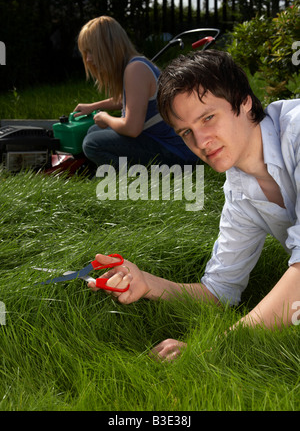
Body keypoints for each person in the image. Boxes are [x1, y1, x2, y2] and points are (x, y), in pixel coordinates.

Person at [88, 50, 300, 361]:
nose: (201, 142)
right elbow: (219, 292)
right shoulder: (239, 188)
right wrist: (148, 283)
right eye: (186, 132)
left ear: (244, 101)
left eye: (208, 118)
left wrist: (215, 347)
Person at [74, 15, 198, 169]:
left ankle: (134, 177)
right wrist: (93, 106)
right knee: (94, 130)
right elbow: (132, 101)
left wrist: (105, 118)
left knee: (92, 144)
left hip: (176, 153)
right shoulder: (137, 63)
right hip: (170, 146)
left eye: (91, 51)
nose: (88, 59)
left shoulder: (135, 70)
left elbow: (132, 129)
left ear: (107, 48)